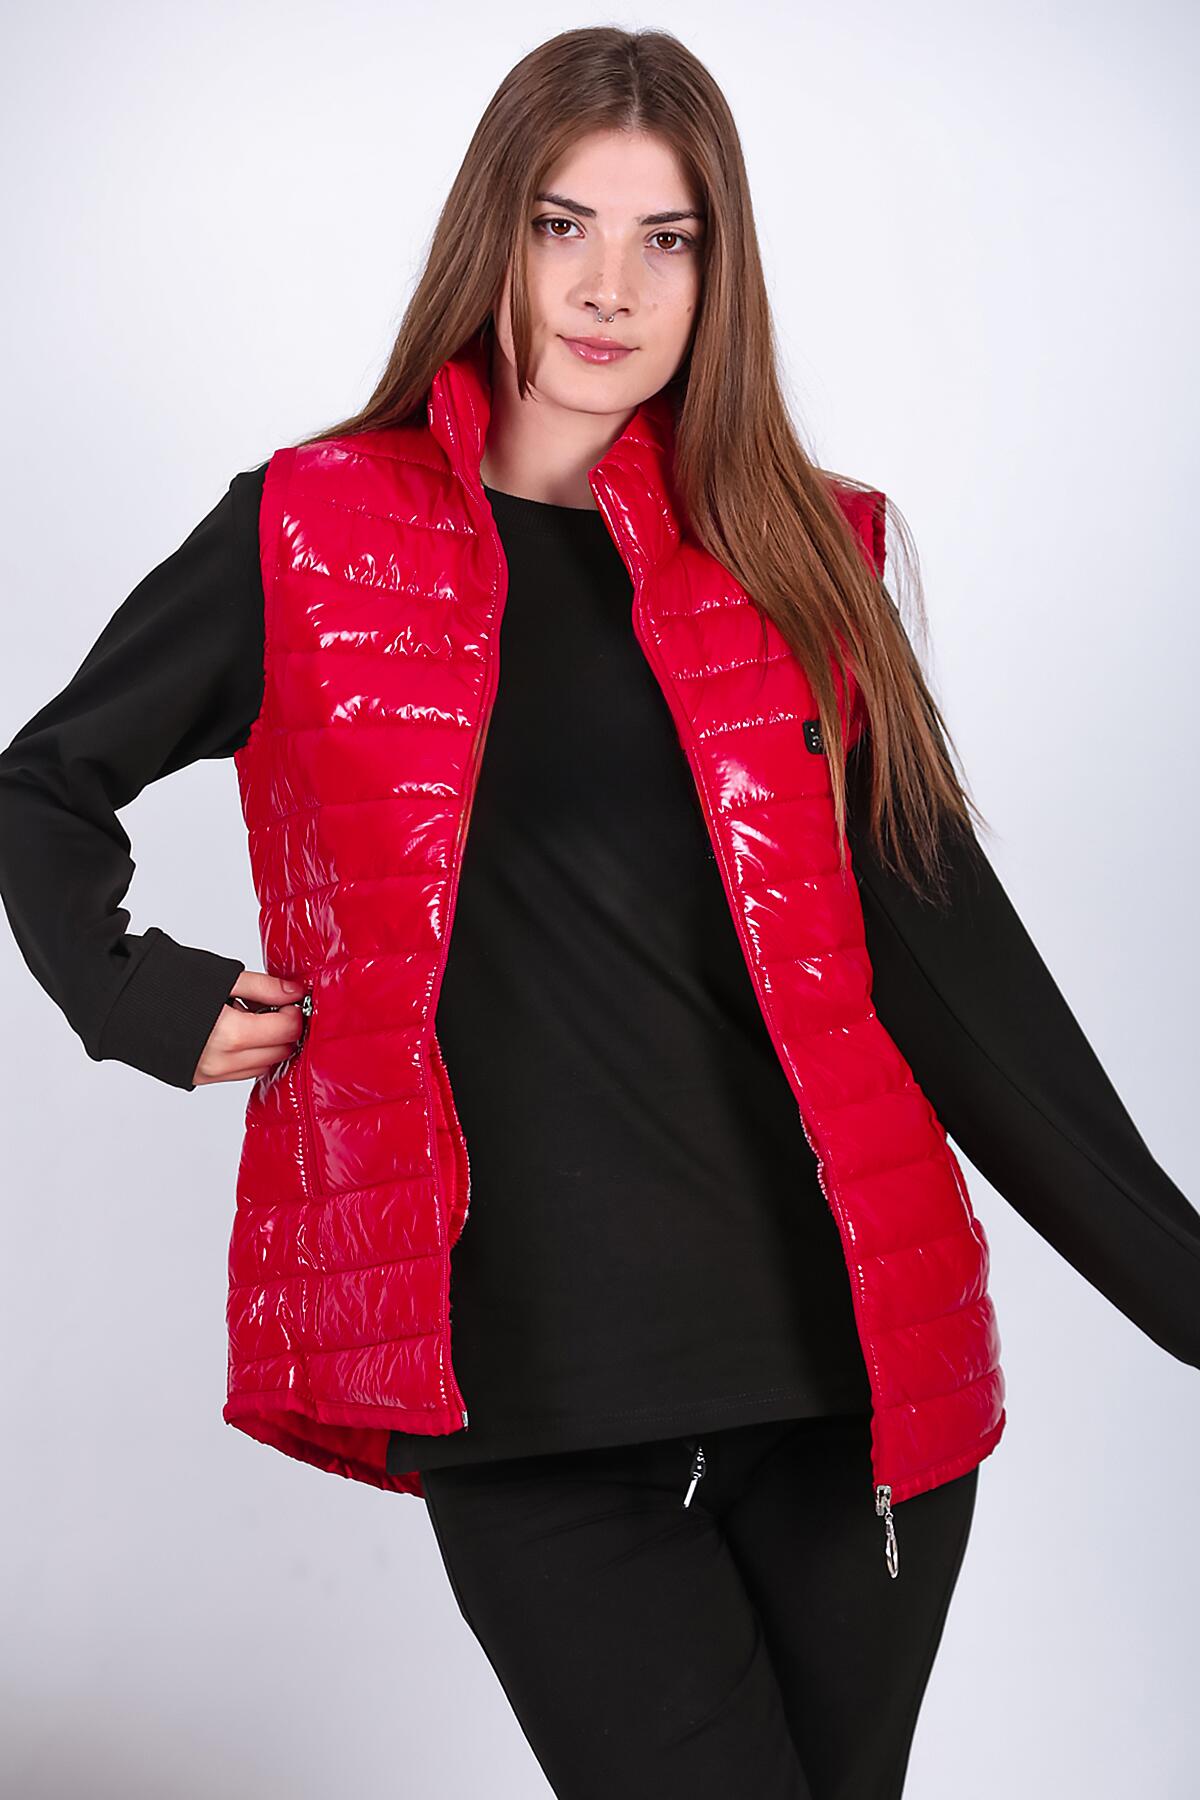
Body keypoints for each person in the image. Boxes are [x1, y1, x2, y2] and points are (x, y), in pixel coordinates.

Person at [1, 25, 1197, 1800]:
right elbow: (40, 786)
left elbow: (958, 975)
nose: (609, 287)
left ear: (720, 272)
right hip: (528, 1393)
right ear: (495, 231)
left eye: (667, 239)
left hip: (849, 1381)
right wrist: (131, 993)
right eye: (564, 225)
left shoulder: (805, 555)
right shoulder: (312, 532)